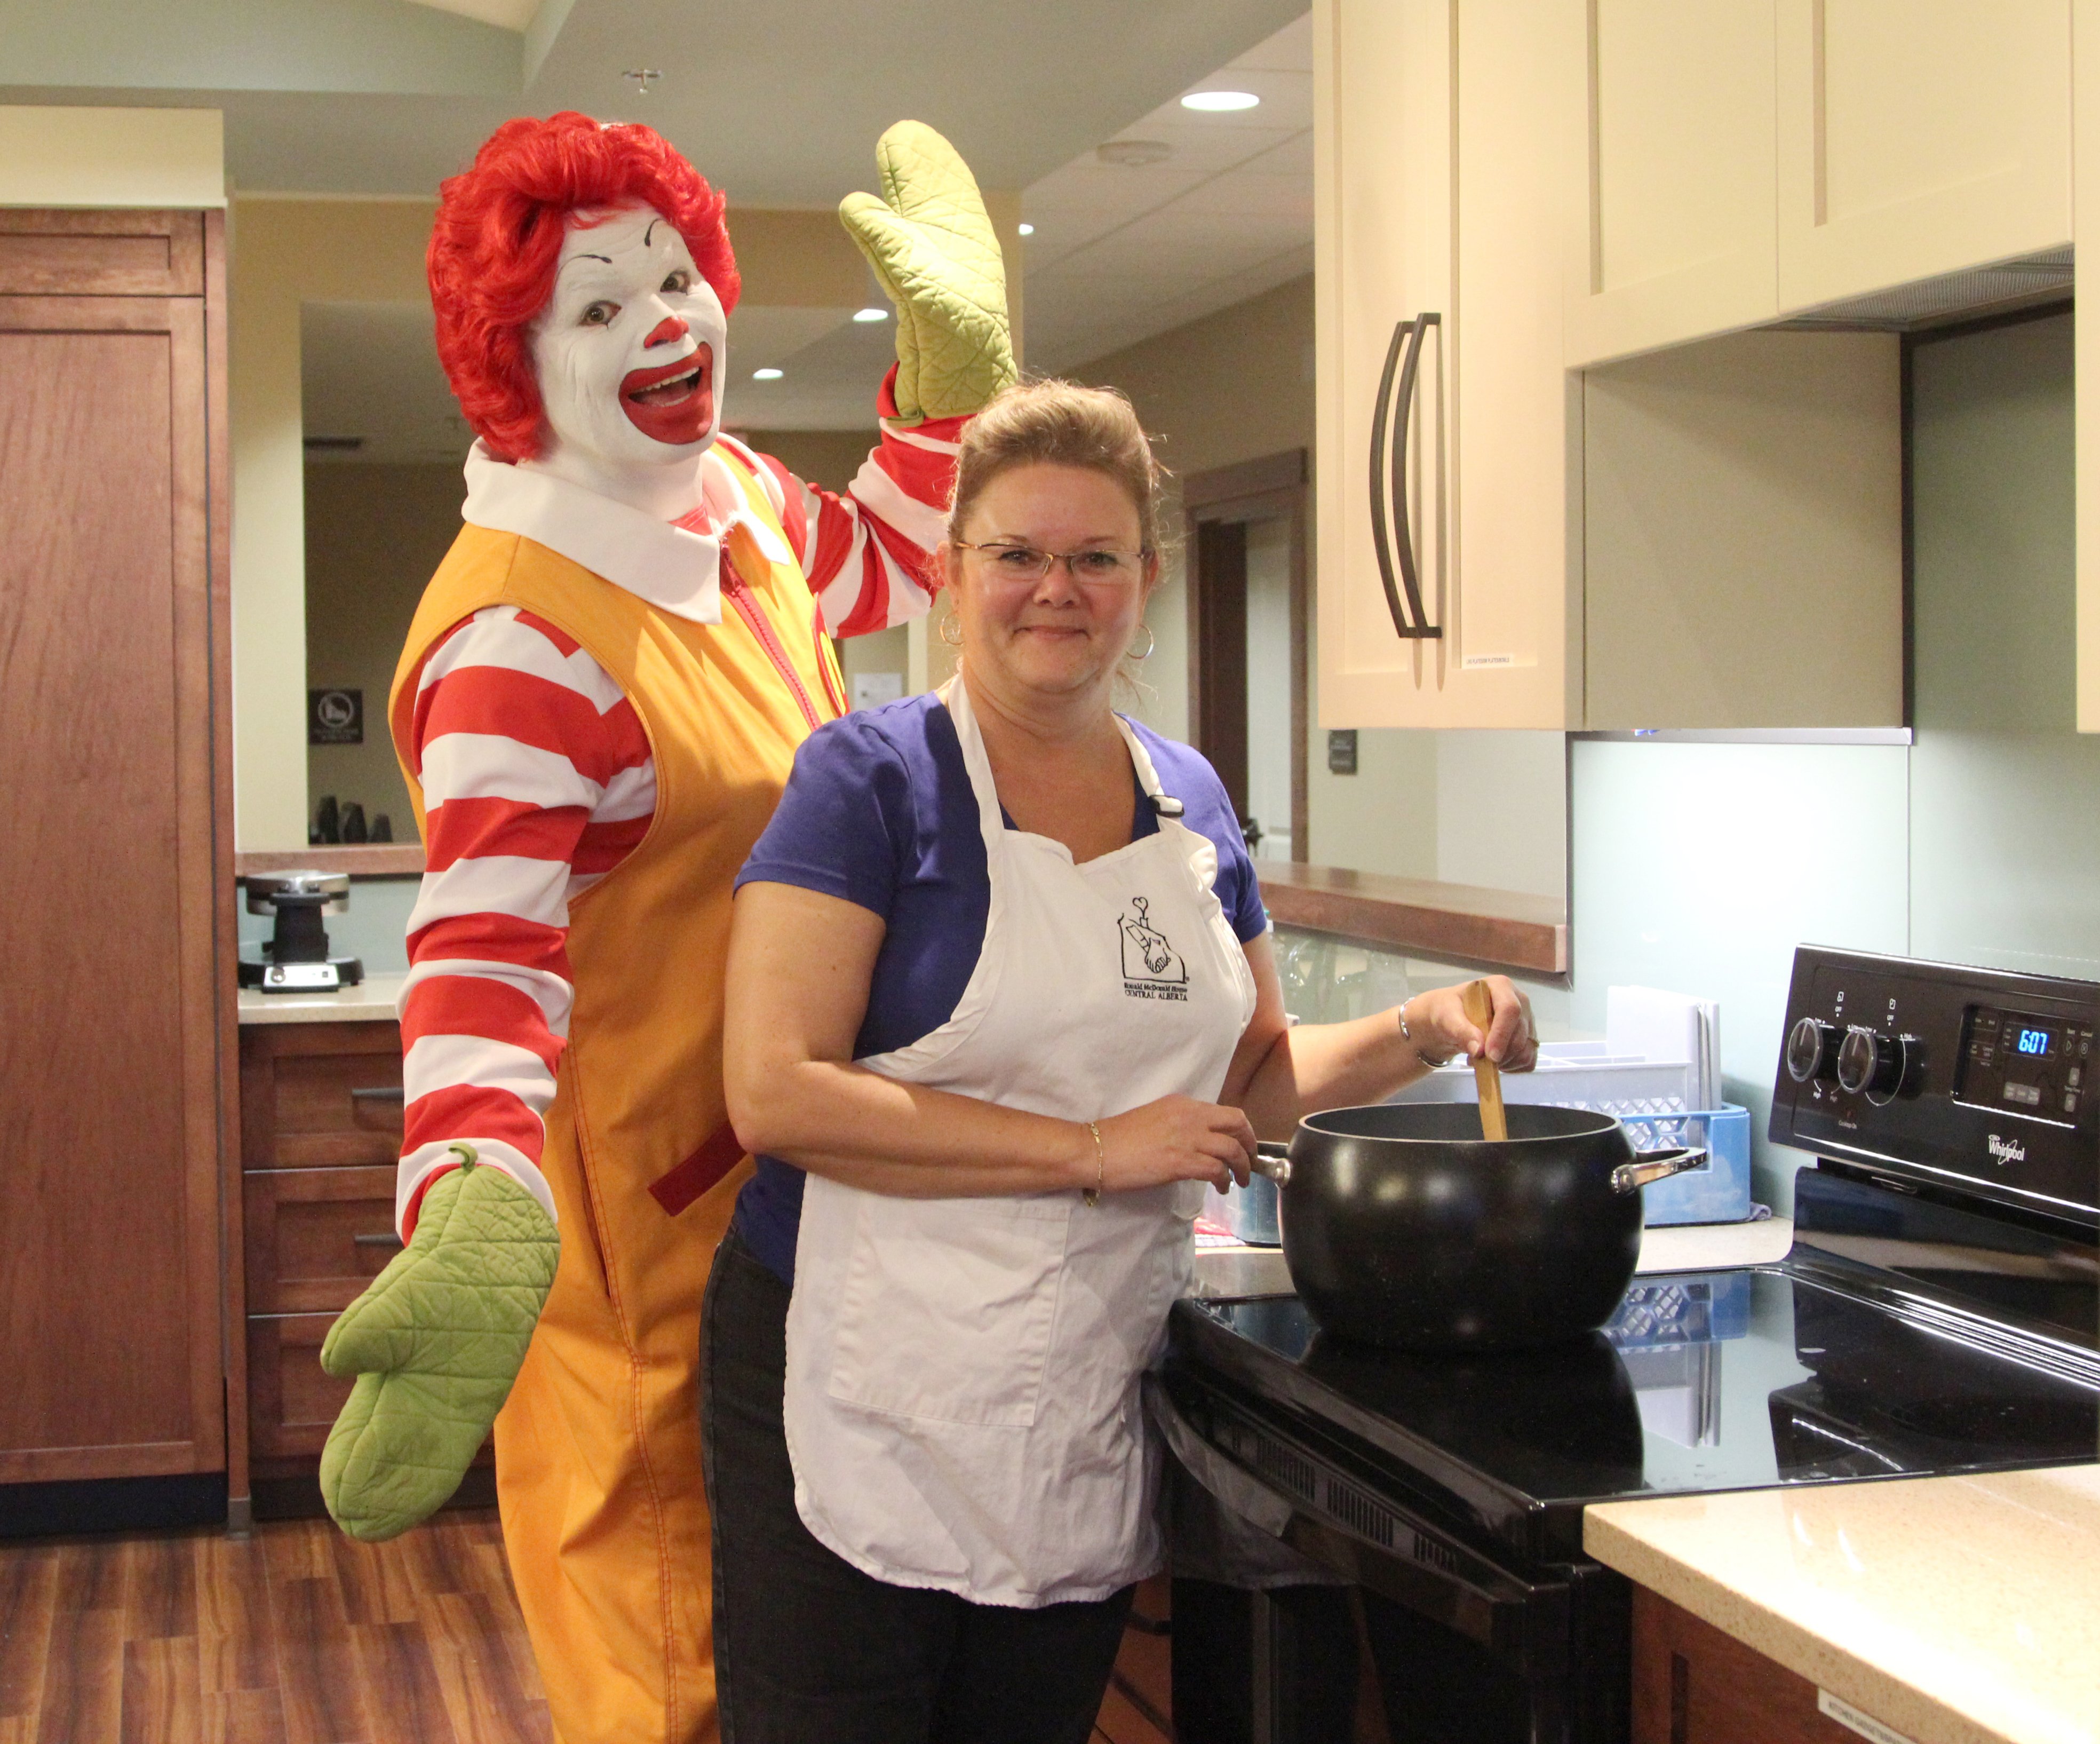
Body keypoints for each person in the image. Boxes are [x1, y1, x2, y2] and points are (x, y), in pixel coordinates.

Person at [312, 113, 1015, 1744]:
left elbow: (889, 557)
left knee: (808, 1667)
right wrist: (470, 1198)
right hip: (655, 1265)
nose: (669, 325)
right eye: (602, 308)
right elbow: (479, 962)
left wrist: (949, 385)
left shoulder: (741, 503)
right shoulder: (515, 636)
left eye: (682, 279)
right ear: (514, 358)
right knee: (675, 1680)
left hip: (805, 1202)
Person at [709, 378, 1538, 1742]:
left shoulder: (1190, 799)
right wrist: (1093, 1153)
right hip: (849, 1374)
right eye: (1018, 554)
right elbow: (776, 1090)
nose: (1058, 589)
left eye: (1096, 556)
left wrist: (1423, 1027)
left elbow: (1252, 1076)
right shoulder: (866, 781)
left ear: (1146, 578)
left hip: (1078, 1376)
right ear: (947, 568)